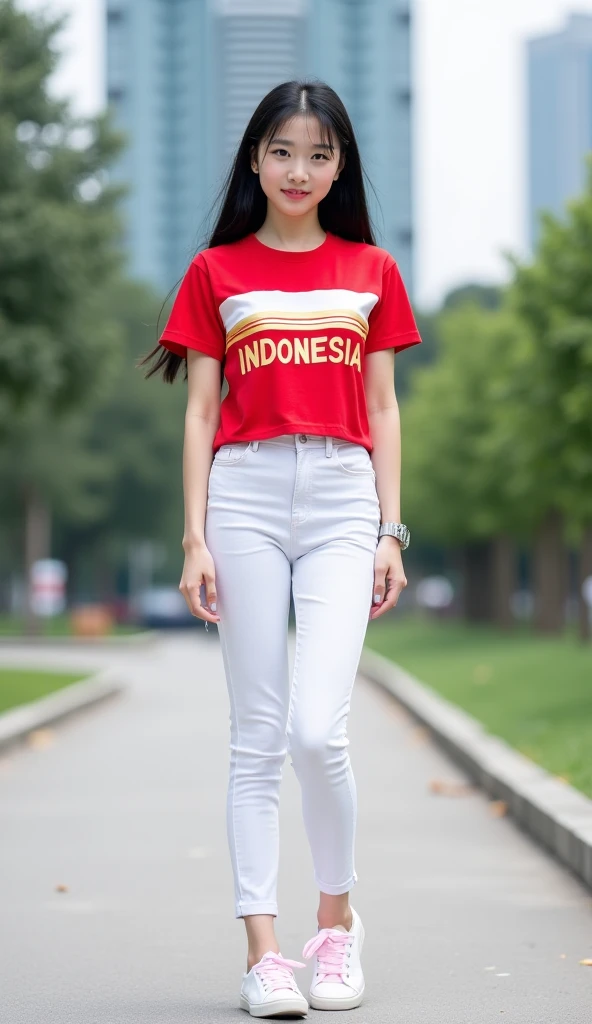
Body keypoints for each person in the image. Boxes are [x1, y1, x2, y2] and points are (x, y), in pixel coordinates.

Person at [140, 78, 421, 1018]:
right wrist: (194, 537)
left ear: (340, 168)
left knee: (317, 730)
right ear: (255, 160)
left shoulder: (371, 270)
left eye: (319, 155)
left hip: (342, 496)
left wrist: (388, 530)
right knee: (256, 737)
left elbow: (383, 408)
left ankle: (336, 927)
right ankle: (265, 955)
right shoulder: (215, 271)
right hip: (245, 496)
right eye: (283, 151)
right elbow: (199, 413)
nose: (299, 170)